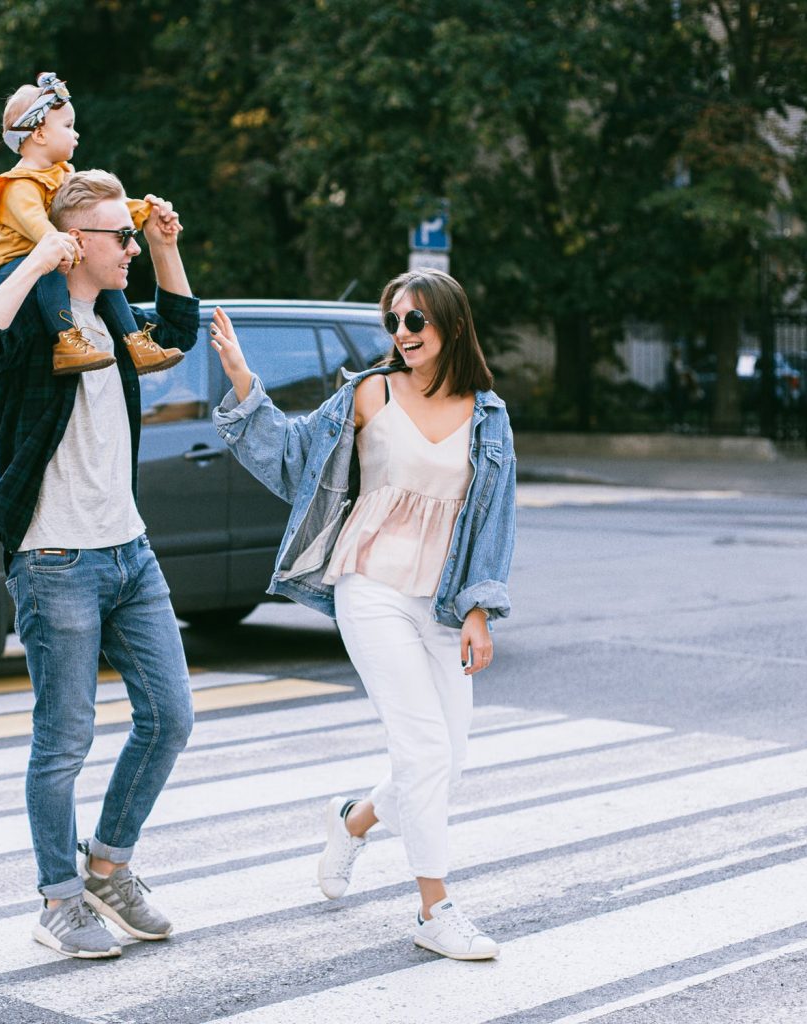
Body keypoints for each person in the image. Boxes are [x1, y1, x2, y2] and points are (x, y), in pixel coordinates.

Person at [210, 268, 516, 961]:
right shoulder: (369, 393)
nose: (402, 334)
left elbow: (495, 519)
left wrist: (479, 610)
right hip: (370, 586)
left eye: (417, 321)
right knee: (424, 751)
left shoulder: (487, 414)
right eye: (394, 322)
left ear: (453, 326)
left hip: (440, 599)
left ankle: (354, 820)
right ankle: (434, 910)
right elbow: (292, 460)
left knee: (449, 758)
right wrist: (241, 382)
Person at [0, 169, 199, 960]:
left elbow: (181, 330)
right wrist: (34, 259)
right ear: (73, 242)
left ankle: (109, 868)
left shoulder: (116, 322)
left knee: (171, 718)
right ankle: (58, 899)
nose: (127, 245)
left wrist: (164, 250)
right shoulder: (34, 323)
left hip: (129, 549)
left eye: (131, 232)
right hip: (55, 557)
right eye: (117, 235)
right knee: (64, 741)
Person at [0, 71, 181, 377]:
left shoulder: (63, 175)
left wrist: (144, 211)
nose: (76, 134)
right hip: (12, 267)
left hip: (53, 253)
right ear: (40, 134)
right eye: (68, 126)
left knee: (103, 270)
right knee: (53, 268)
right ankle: (66, 342)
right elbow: (36, 224)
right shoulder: (17, 185)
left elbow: (99, 208)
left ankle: (136, 343)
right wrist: (56, 245)